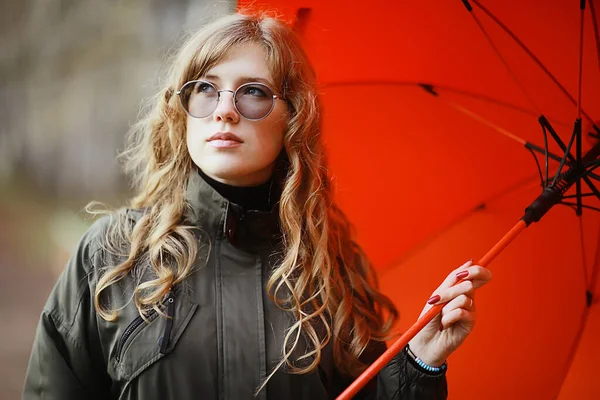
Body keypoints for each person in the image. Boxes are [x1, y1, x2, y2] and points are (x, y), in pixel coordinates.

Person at [23, 11, 492, 400]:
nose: (225, 109)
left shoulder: (329, 270)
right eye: (205, 89)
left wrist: (421, 362)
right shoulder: (111, 255)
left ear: (293, 118)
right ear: (180, 111)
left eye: (253, 92)